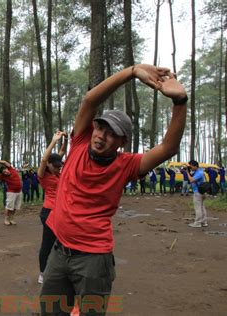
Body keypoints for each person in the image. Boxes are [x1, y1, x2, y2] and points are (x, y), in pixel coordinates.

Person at [40, 64, 187, 315]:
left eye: (111, 134)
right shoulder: (78, 144)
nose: (100, 136)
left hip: (93, 260)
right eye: (99, 128)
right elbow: (89, 100)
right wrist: (131, 71)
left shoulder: (127, 165)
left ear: (122, 142)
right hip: (59, 251)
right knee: (51, 311)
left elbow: (168, 148)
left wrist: (180, 101)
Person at [37, 130, 67, 284]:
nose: (58, 169)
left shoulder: (57, 172)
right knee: (47, 243)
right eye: (55, 167)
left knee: (62, 242)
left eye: (59, 167)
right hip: (48, 212)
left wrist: (65, 139)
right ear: (49, 165)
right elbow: (43, 160)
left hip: (62, 212)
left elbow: (62, 152)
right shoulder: (44, 175)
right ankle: (42, 272)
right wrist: (54, 140)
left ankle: (59, 270)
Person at [0, 160, 23, 225]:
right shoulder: (3, 176)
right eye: (4, 172)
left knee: (15, 207)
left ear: (7, 169)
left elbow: (4, 162)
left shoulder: (12, 169)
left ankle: (11, 218)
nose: (5, 172)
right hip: (11, 192)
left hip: (19, 191)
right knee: (9, 207)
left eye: (5, 170)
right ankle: (6, 219)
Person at [187, 160, 208, 228]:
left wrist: (187, 172)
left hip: (198, 192)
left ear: (195, 166)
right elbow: (192, 175)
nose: (191, 168)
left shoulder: (199, 173)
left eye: (191, 166)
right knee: (202, 207)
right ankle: (204, 222)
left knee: (198, 208)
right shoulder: (199, 171)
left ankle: (198, 223)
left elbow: (191, 180)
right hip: (202, 192)